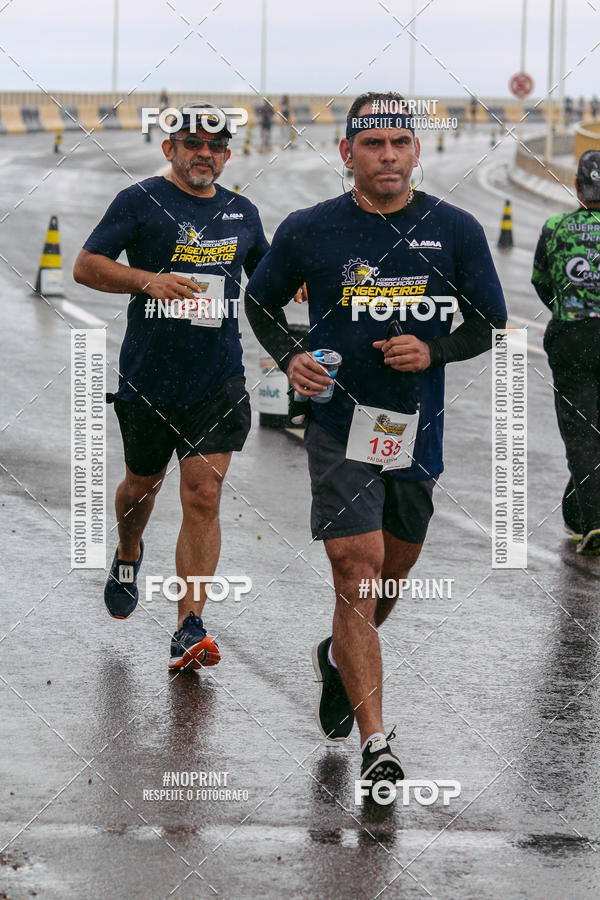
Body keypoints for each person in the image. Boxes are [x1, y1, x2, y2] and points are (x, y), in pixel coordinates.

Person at [245, 91, 507, 790]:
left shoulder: (454, 228)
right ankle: (377, 743)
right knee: (357, 572)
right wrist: (290, 356)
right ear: (347, 152)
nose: (387, 156)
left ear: (416, 150)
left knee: (389, 575)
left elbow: (489, 322)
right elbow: (259, 301)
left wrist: (434, 350)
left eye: (399, 143)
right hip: (338, 424)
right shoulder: (310, 229)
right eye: (372, 144)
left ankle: (338, 656)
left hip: (415, 428)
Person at [73, 103, 269, 669]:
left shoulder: (242, 211)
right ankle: (128, 549)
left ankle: (190, 626)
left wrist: (300, 283)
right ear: (170, 150)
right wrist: (146, 280)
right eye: (192, 144)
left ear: (227, 155)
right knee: (142, 486)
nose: (204, 154)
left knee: (203, 495)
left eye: (215, 146)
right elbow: (86, 265)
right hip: (150, 377)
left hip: (218, 378)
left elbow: (267, 274)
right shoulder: (140, 200)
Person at [531, 150, 600, 555]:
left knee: (581, 433)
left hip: (571, 338)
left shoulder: (555, 228)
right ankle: (585, 514)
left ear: (576, 186)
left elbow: (540, 280)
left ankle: (588, 519)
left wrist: (568, 306)